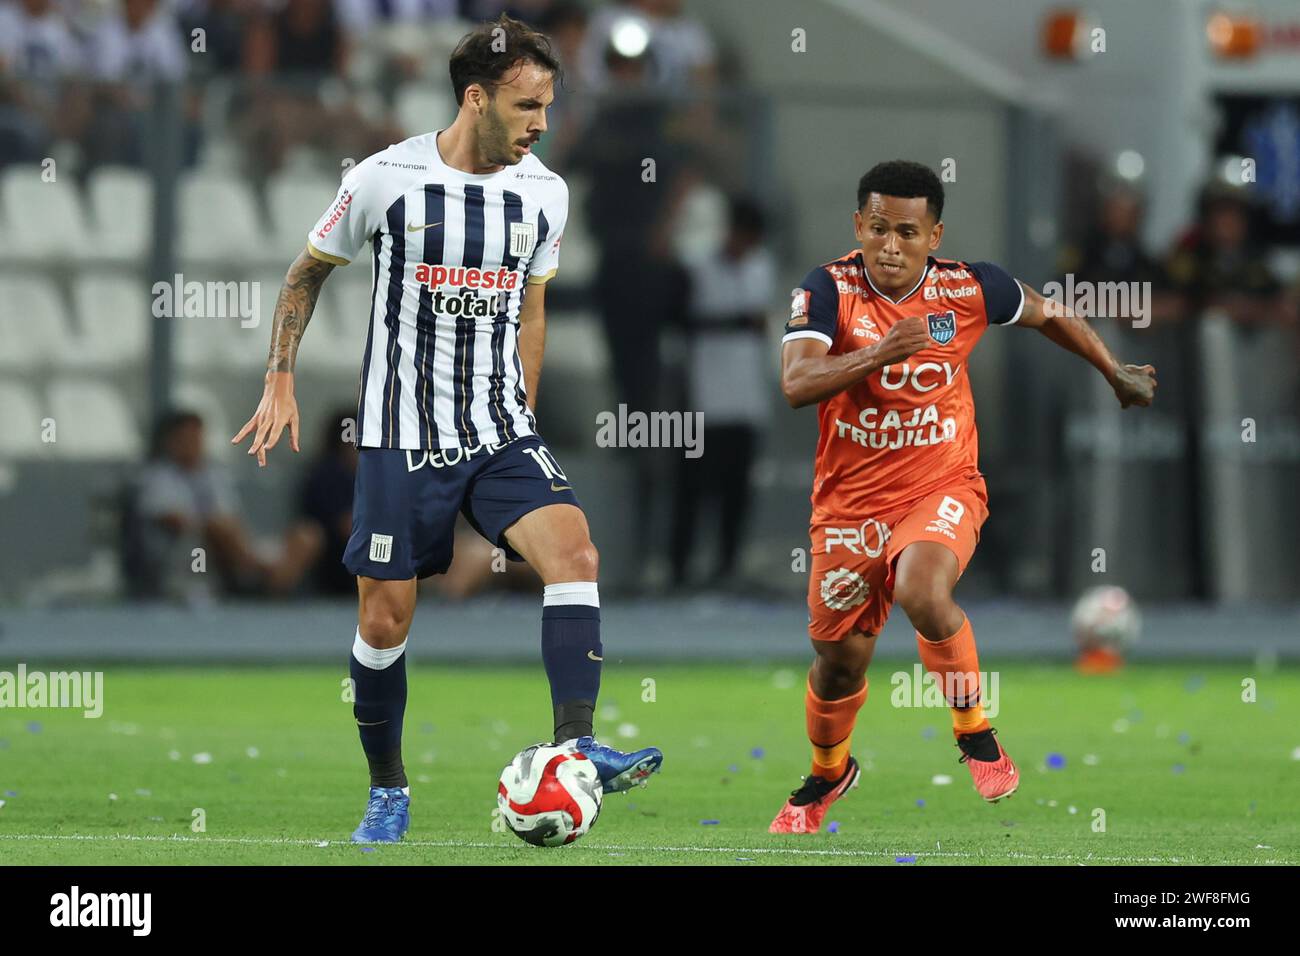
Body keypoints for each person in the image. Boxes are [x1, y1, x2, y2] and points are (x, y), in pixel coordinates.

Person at [231, 14, 663, 844]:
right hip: (401, 432)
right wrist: (279, 377)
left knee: (575, 554)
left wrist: (525, 411)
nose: (543, 123)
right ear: (477, 97)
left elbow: (532, 302)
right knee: (385, 621)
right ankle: (388, 789)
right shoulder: (385, 178)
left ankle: (577, 743)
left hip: (499, 427)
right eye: (529, 105)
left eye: (549, 104)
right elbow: (306, 271)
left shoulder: (545, 190)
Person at [771, 160, 1157, 833]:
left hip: (942, 484)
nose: (891, 245)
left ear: (934, 236)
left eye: (908, 232)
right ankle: (830, 772)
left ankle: (974, 730)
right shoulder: (826, 290)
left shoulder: (970, 287)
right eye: (879, 228)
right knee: (838, 665)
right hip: (850, 507)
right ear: (858, 225)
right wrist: (879, 353)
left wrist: (1111, 369)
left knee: (924, 589)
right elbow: (798, 384)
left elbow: (1049, 312)